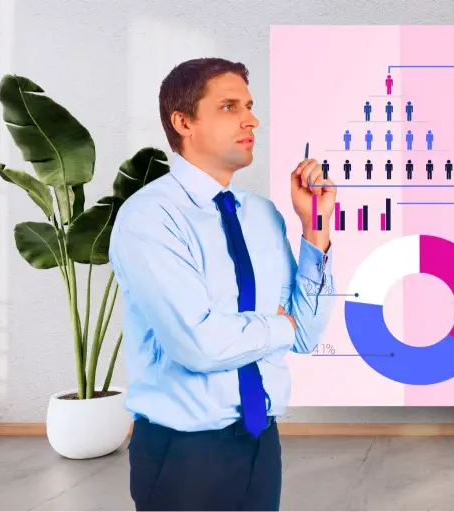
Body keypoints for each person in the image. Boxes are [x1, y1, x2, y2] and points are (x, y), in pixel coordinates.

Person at [108, 57, 337, 512]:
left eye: (249, 106)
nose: (251, 119)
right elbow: (200, 344)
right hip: (184, 455)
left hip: (261, 442)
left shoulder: (264, 216)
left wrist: (315, 228)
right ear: (183, 122)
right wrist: (279, 327)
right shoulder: (150, 218)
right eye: (229, 107)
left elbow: (307, 332)